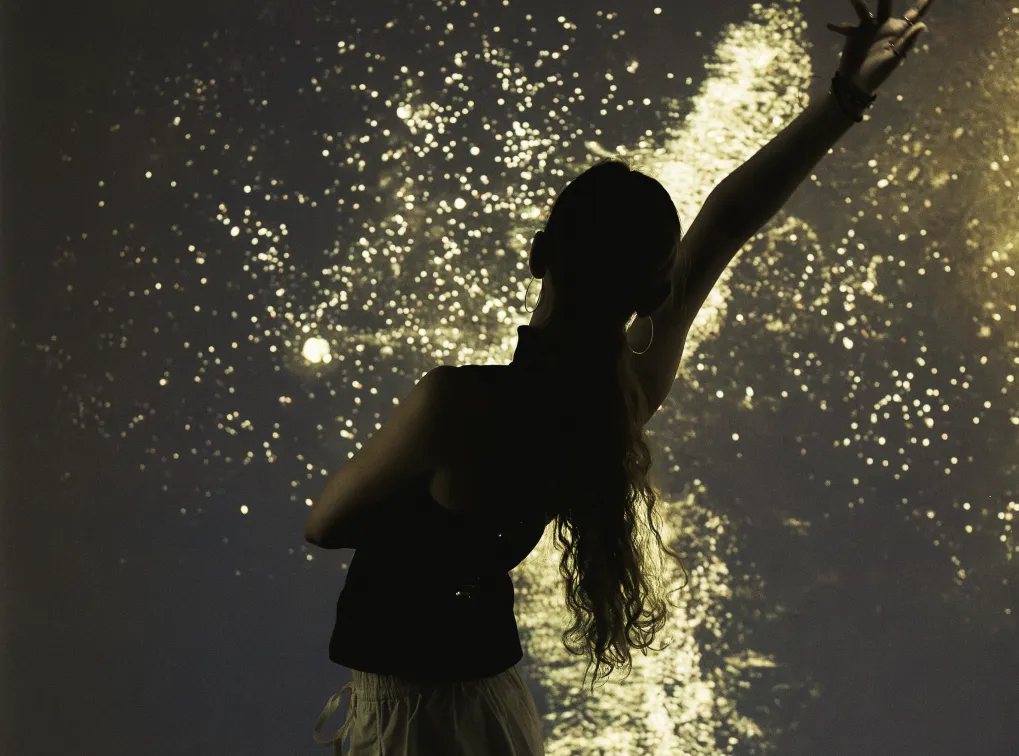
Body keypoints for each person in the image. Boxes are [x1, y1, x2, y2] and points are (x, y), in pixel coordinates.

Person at [306, 1, 933, 753]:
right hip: (487, 708)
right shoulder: (617, 403)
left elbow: (325, 525)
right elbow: (722, 228)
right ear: (650, 294)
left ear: (539, 254)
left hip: (411, 722)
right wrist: (845, 100)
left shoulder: (459, 402)